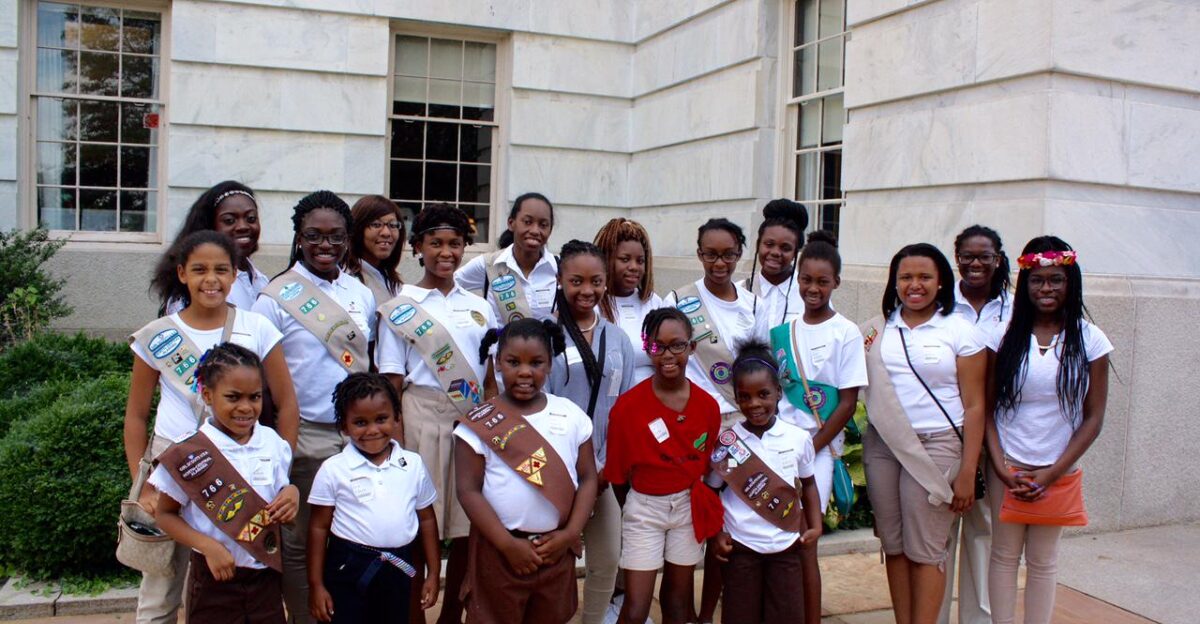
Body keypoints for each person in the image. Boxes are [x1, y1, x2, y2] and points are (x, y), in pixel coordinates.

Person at [126, 231, 299, 624]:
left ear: (236, 275)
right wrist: (141, 480)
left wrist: (280, 471)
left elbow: (287, 404)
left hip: (243, 459)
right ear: (182, 273)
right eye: (200, 269)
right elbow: (136, 415)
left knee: (238, 567)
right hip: (172, 462)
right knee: (159, 588)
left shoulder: (257, 327)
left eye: (222, 269)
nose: (212, 279)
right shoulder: (159, 335)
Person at [252, 190, 375, 624]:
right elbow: (262, 378)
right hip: (303, 434)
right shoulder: (275, 297)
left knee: (349, 537)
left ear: (348, 239)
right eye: (314, 236)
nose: (326, 246)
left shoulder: (361, 294)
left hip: (357, 437)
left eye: (336, 237)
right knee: (300, 542)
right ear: (299, 238)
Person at [375, 203, 496, 624]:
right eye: (436, 243)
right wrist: (396, 437)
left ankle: (452, 615)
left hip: (472, 419)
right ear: (418, 248)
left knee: (468, 522)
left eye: (455, 243)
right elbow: (391, 377)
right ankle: (413, 610)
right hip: (420, 413)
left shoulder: (480, 306)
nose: (446, 252)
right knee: (416, 522)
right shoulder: (401, 304)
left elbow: (491, 372)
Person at [860, 243, 987, 624]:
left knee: (926, 550)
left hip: (937, 447)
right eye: (906, 277)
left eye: (924, 277)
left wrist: (967, 471)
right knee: (894, 546)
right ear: (894, 283)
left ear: (942, 282)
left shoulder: (961, 331)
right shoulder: (875, 330)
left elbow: (976, 406)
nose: (915, 285)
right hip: (883, 446)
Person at [986, 237, 1111, 624]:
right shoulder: (1002, 336)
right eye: (1037, 280)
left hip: (1058, 467)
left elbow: (1093, 418)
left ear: (1070, 282)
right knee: (1004, 556)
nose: (1046, 289)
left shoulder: (1091, 340)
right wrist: (1003, 468)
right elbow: (986, 410)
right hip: (1006, 464)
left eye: (1056, 279)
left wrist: (1052, 473)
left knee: (1043, 560)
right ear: (1024, 283)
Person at [454, 318, 599, 624]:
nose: (524, 372)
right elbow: (468, 491)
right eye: (512, 362)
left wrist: (571, 533)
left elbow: (587, 478)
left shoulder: (570, 415)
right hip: (498, 550)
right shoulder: (480, 423)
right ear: (497, 363)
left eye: (536, 363)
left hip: (555, 549)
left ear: (550, 364)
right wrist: (507, 545)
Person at [150, 342, 298, 623]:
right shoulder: (188, 453)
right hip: (212, 580)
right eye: (233, 397)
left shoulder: (273, 444)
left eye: (254, 397)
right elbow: (165, 515)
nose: (245, 407)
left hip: (264, 576)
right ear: (207, 395)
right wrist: (207, 546)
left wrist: (292, 493)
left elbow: (281, 490)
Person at [665, 218, 765, 624]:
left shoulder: (752, 303)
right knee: (696, 515)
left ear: (740, 253)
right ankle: (689, 611)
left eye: (727, 254)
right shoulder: (678, 299)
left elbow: (759, 363)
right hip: (696, 423)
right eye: (710, 254)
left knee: (732, 517)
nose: (718, 262)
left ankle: (716, 610)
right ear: (699, 253)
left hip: (741, 423)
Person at [769, 230, 866, 624]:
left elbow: (848, 402)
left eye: (822, 281)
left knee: (806, 539)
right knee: (773, 535)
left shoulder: (846, 331)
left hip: (818, 450)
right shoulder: (785, 330)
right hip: (777, 444)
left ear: (836, 283)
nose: (813, 288)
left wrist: (811, 446)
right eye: (806, 279)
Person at [605, 308, 723, 624]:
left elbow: (709, 465)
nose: (667, 355)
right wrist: (639, 505)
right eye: (657, 346)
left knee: (678, 601)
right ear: (647, 347)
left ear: (692, 347)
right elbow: (617, 477)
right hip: (644, 509)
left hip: (687, 507)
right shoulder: (627, 408)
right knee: (636, 606)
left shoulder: (708, 407)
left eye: (677, 345)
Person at [548, 240, 637, 624]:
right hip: (555, 471)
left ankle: (594, 619)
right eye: (577, 281)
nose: (587, 290)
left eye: (596, 281)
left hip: (601, 472)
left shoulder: (617, 339)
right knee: (555, 554)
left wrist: (607, 468)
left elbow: (626, 410)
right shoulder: (545, 336)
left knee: (608, 556)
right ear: (561, 280)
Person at [307, 373, 442, 623]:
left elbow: (427, 520)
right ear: (343, 426)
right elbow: (318, 528)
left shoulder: (412, 465)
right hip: (347, 569)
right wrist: (316, 585)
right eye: (360, 422)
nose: (372, 430)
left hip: (398, 568)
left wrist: (433, 573)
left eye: (381, 419)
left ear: (397, 418)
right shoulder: (333, 469)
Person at [707, 340, 823, 624]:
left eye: (763, 394)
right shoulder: (728, 443)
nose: (754, 404)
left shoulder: (797, 438)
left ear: (778, 393)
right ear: (736, 398)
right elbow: (711, 491)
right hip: (742, 547)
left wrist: (815, 524)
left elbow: (808, 484)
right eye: (744, 397)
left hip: (786, 546)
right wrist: (716, 534)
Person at [940, 224, 1012, 624]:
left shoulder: (1016, 308)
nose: (975, 264)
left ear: (998, 259)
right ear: (956, 258)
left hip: (999, 434)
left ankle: (977, 619)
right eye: (967, 255)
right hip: (948, 432)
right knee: (940, 532)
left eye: (985, 256)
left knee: (984, 531)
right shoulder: (939, 303)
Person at [153, 181, 270, 315]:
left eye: (251, 218)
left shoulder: (262, 281)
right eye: (229, 220)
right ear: (210, 227)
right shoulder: (198, 287)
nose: (243, 226)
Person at [455, 193, 559, 323]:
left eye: (543, 225)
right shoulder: (488, 265)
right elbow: (448, 287)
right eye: (527, 222)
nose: (535, 230)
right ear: (511, 223)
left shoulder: (559, 268)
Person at [594, 217, 664, 384]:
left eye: (640, 261)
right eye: (625, 259)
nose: (634, 267)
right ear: (607, 259)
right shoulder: (594, 304)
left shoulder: (654, 302)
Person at [744, 199, 808, 329]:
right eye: (769, 244)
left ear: (795, 253)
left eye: (785, 248)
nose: (775, 252)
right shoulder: (740, 292)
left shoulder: (809, 294)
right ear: (758, 245)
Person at [344, 195, 406, 305]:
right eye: (376, 224)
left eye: (392, 225)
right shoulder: (346, 279)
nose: (386, 233)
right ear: (357, 229)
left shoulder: (392, 280)